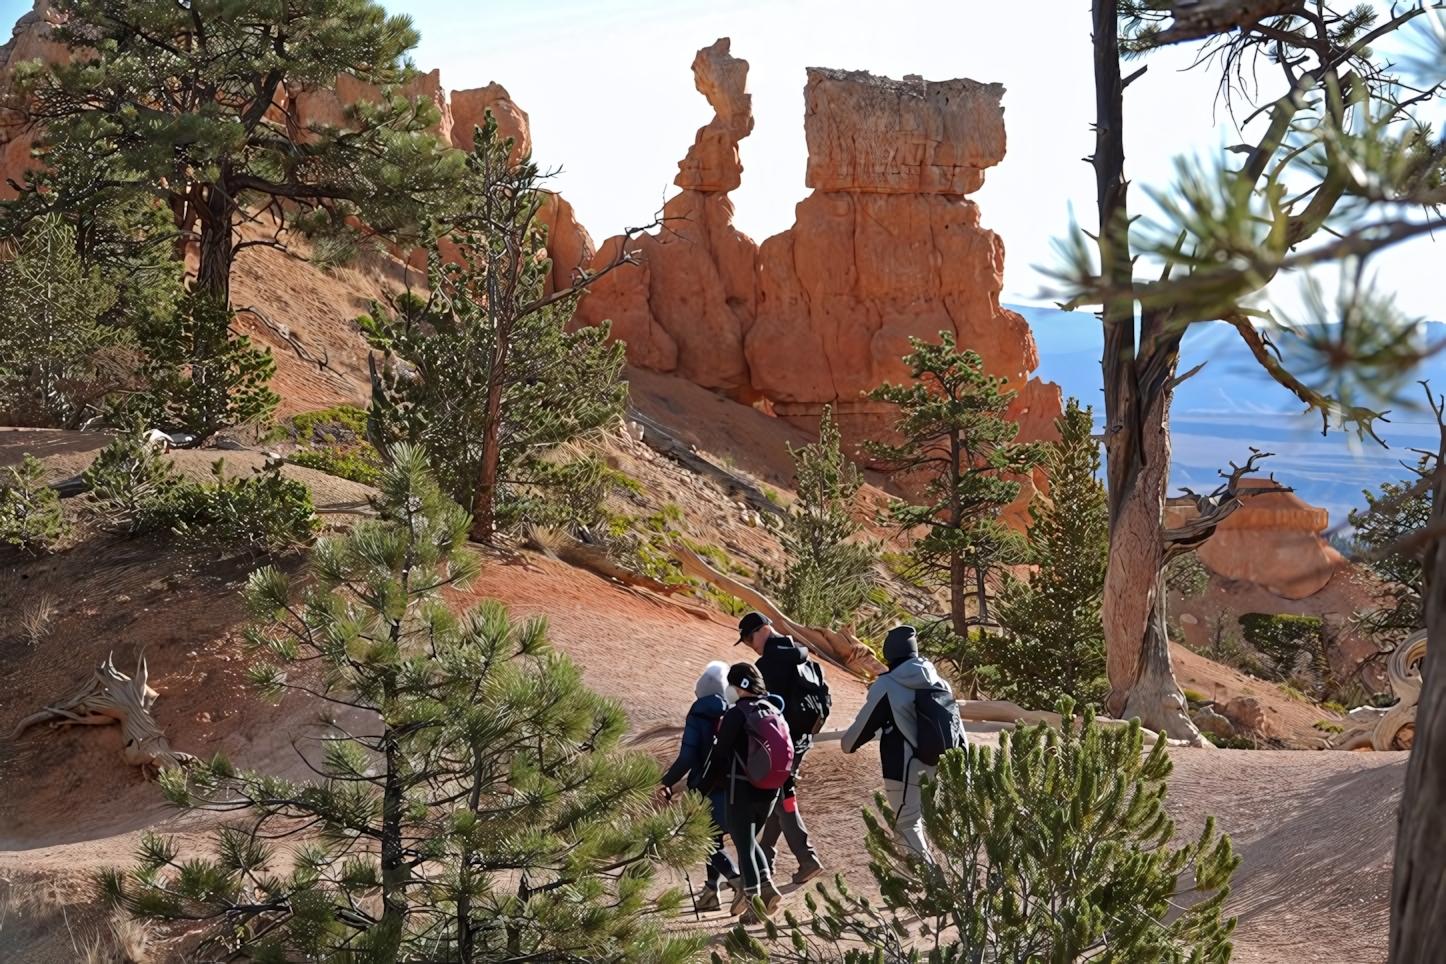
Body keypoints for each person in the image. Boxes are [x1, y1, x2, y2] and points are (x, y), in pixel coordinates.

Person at [840, 625, 957, 860]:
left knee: (907, 825)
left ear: (889, 654)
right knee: (943, 827)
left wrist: (853, 742)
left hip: (904, 768)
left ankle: (933, 884)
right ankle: (946, 880)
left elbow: (854, 737)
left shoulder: (888, 684)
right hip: (943, 764)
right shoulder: (940, 683)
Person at [735, 612, 824, 884]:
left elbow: (764, 710)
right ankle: (766, 856)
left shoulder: (768, 664)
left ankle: (806, 857)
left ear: (764, 630)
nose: (750, 644)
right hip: (803, 739)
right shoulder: (801, 653)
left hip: (780, 741)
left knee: (781, 798)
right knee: (779, 795)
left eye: (749, 638)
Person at [697, 662, 788, 921]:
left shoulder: (737, 713)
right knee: (748, 840)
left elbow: (719, 755)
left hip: (742, 788)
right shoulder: (772, 709)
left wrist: (701, 789)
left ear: (739, 687)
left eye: (732, 686)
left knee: (743, 845)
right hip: (770, 789)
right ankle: (767, 889)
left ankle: (754, 906)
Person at [659, 661, 740, 912]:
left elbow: (687, 757)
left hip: (706, 790)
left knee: (706, 841)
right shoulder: (734, 711)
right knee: (713, 840)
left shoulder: (699, 713)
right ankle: (710, 893)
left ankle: (738, 880)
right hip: (733, 787)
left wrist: (666, 782)